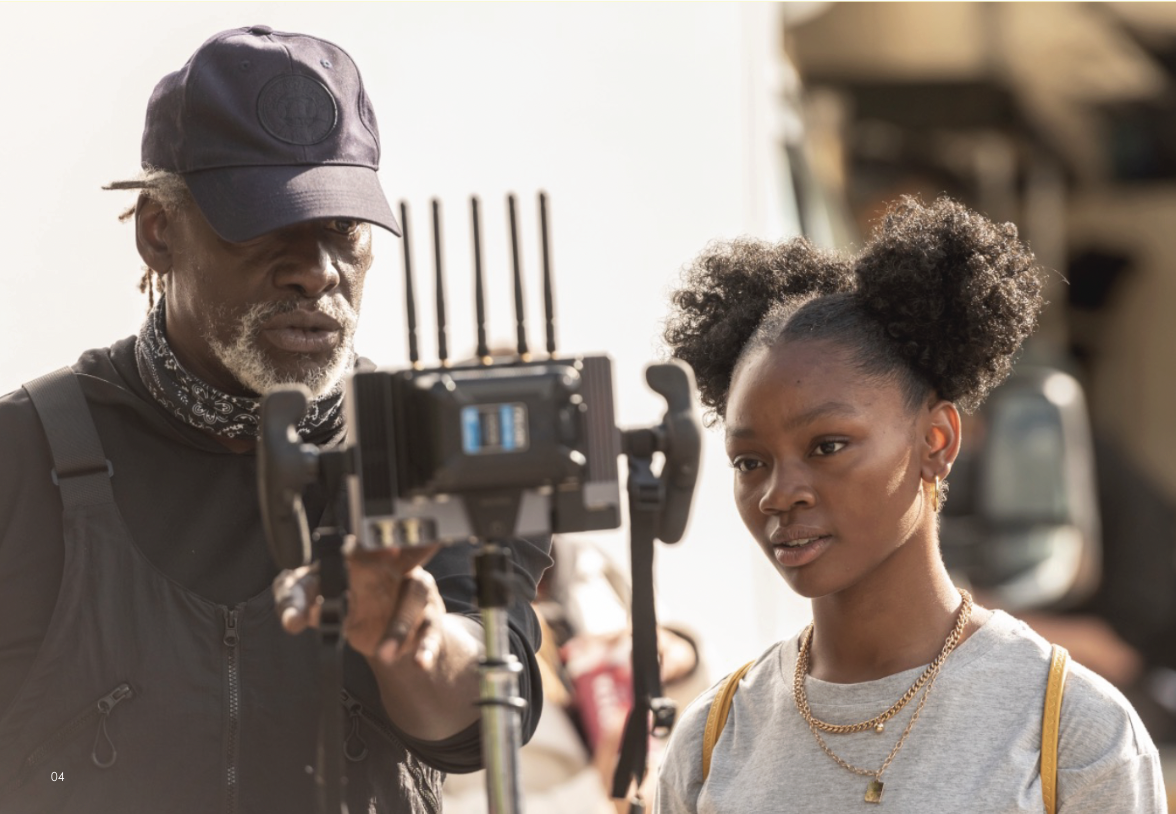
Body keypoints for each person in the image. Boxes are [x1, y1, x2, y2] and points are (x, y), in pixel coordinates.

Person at [0, 26, 550, 813]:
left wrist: (417, 644)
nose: (316, 269)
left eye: (342, 227)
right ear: (158, 230)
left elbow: (488, 720)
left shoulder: (439, 442)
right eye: (267, 222)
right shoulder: (21, 458)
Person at [654, 197, 1167, 812]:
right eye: (749, 461)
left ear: (937, 441)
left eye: (828, 445)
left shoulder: (1071, 729)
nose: (778, 493)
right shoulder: (712, 739)